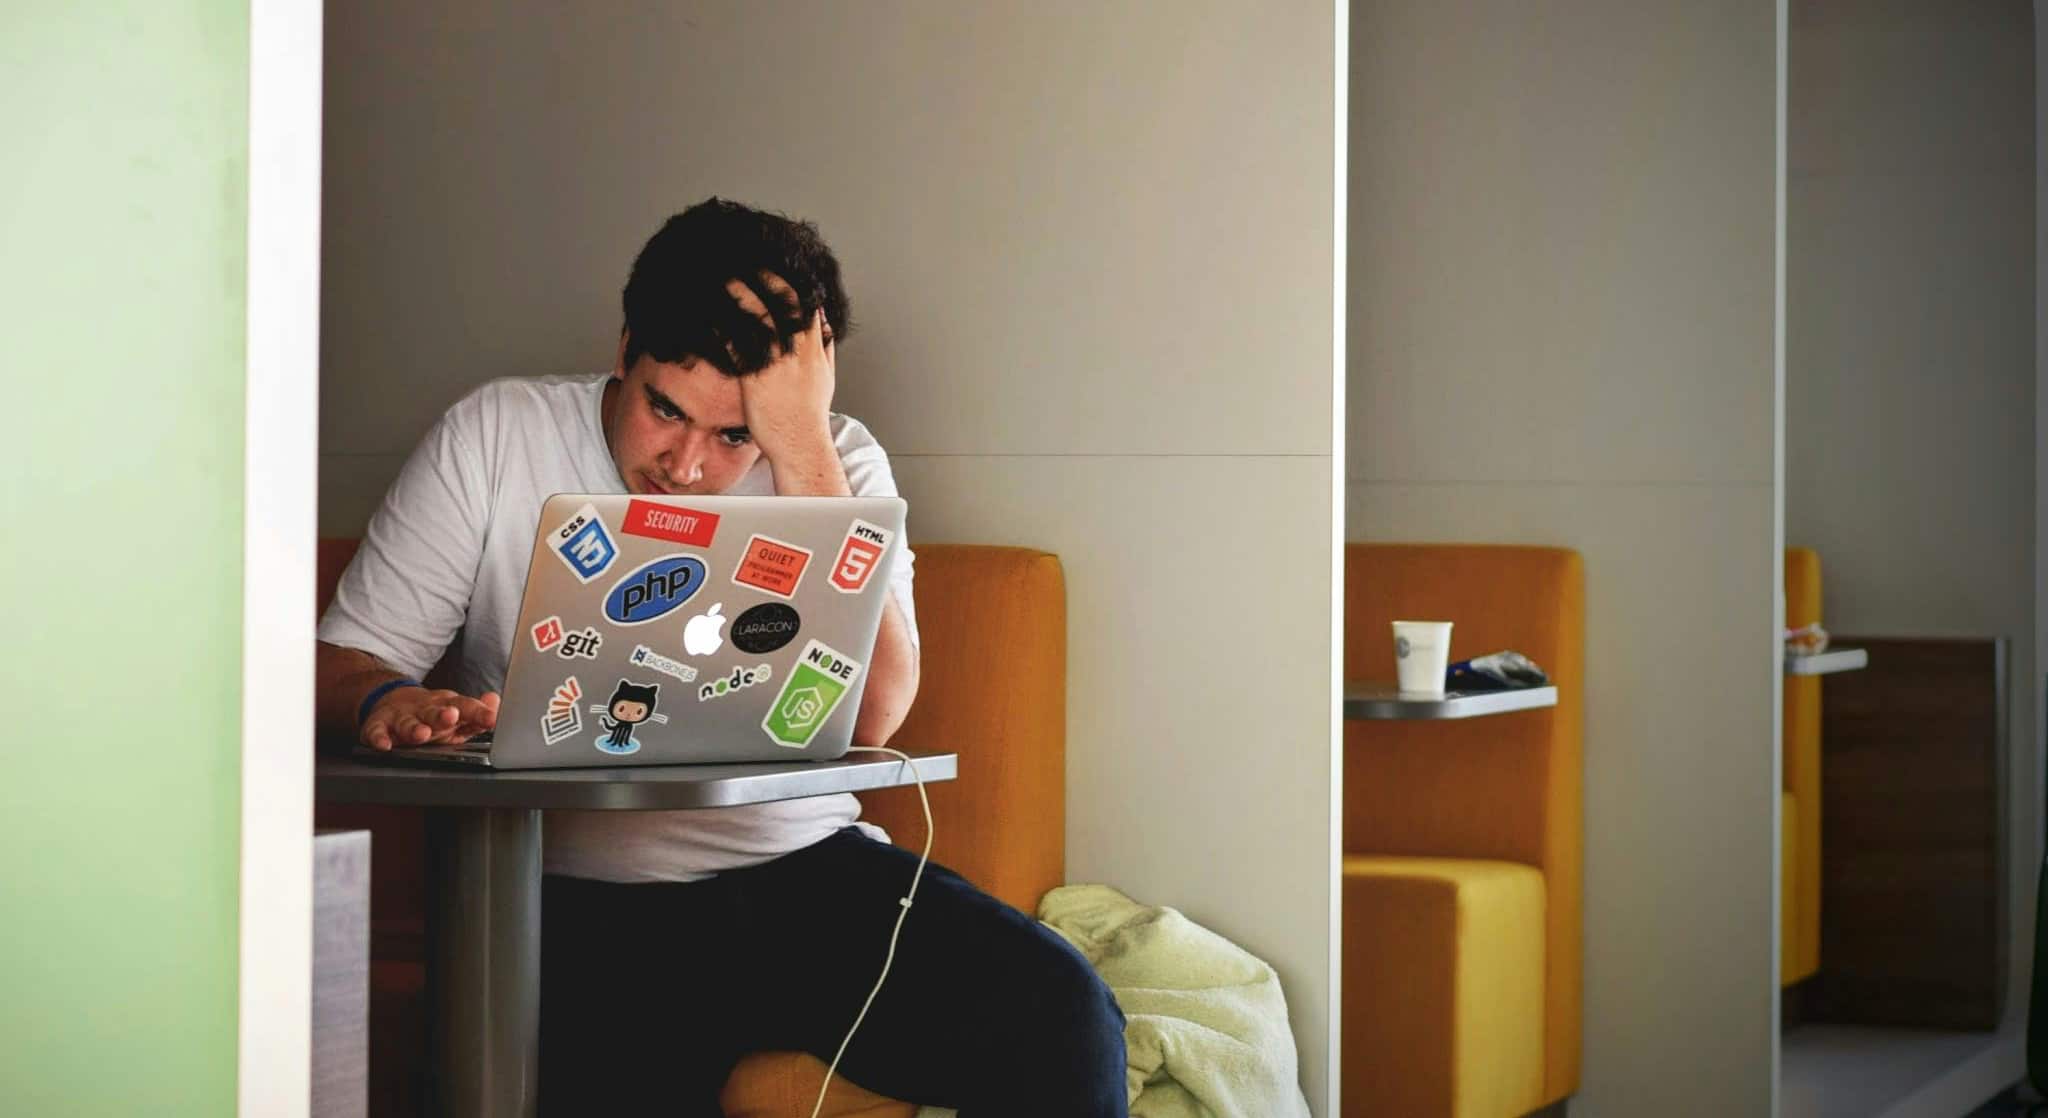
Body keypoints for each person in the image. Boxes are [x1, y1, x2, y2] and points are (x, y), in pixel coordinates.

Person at [313, 198, 1127, 1115]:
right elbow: (340, 663)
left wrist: (801, 448)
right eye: (666, 410)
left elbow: (875, 715)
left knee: (1064, 1014)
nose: (687, 465)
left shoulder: (836, 460)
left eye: (734, 434)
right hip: (578, 898)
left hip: (804, 873)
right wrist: (388, 699)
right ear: (625, 350)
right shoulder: (496, 435)